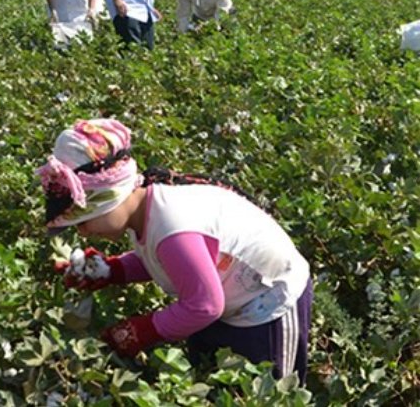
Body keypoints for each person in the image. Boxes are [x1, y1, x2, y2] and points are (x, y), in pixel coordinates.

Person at [38, 119, 313, 383]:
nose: (83, 231)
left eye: (83, 220)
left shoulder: (173, 227)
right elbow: (164, 259)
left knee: (264, 391)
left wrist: (140, 331)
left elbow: (204, 306)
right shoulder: (147, 209)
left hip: (268, 301)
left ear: (110, 197)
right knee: (212, 377)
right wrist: (114, 270)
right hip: (226, 294)